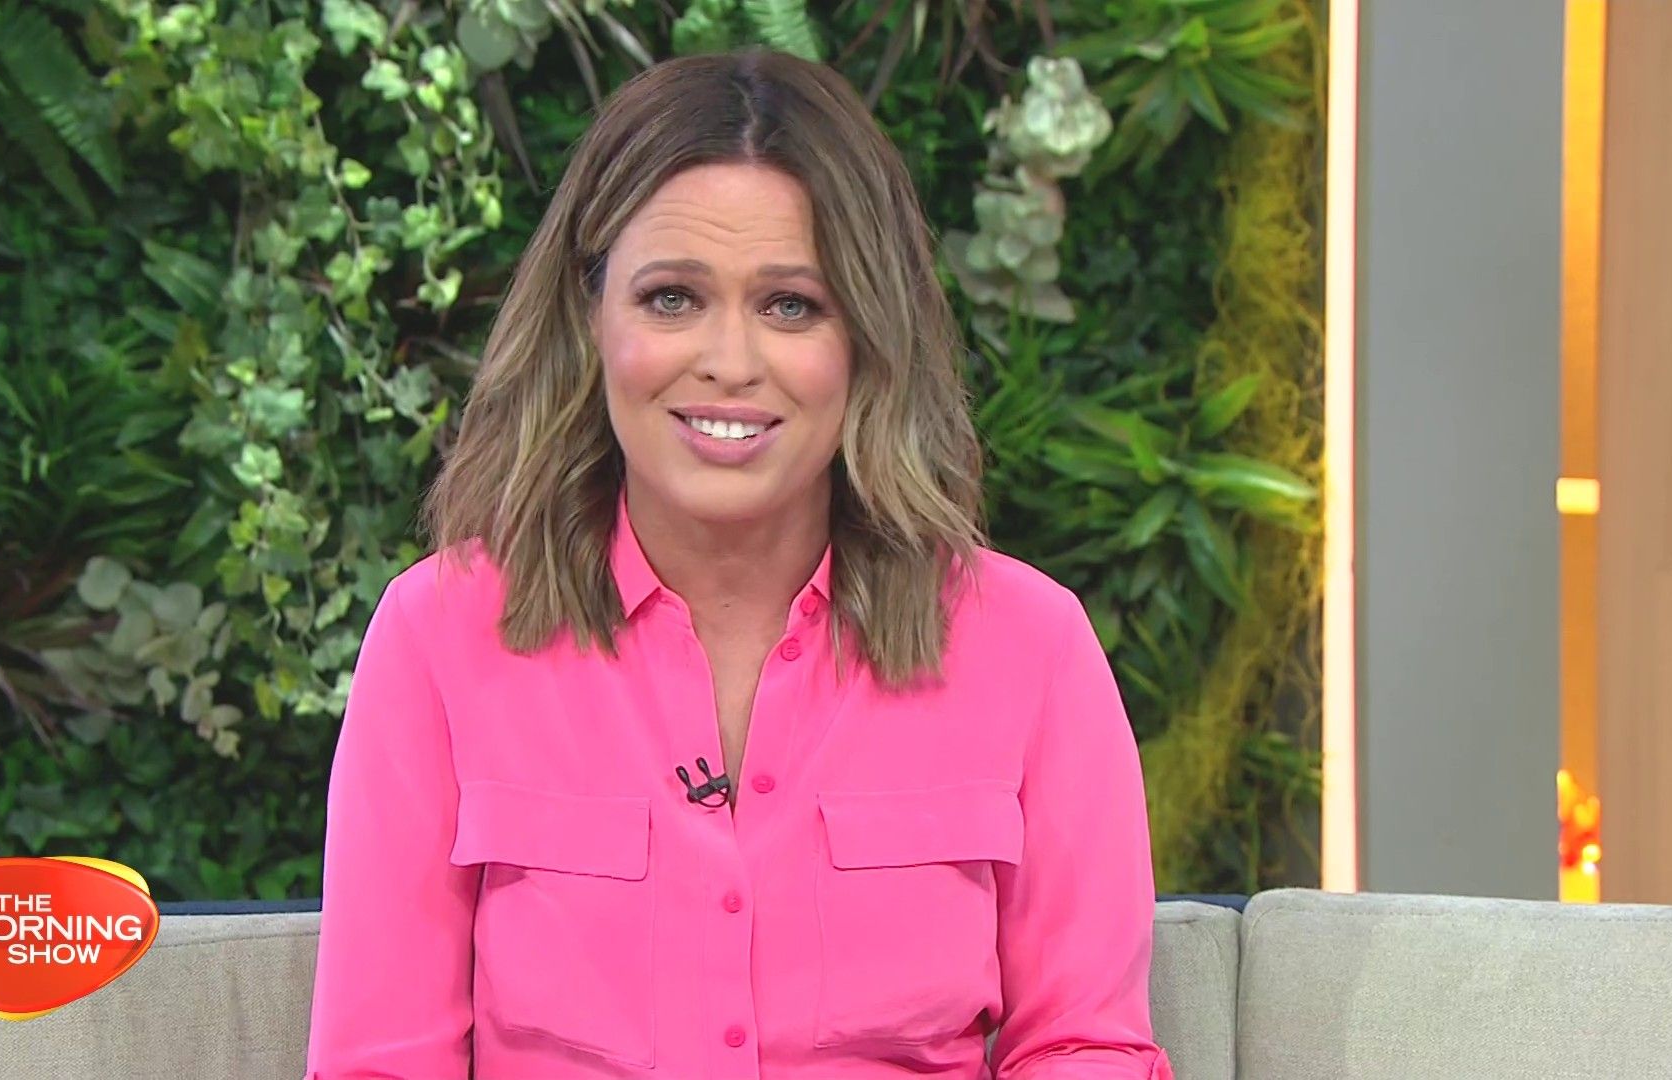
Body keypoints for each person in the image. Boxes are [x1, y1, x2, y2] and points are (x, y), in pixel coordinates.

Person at [304, 46, 1171, 1080]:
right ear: (589, 319)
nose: (730, 362)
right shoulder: (439, 635)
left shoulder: (1029, 646)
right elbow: (380, 1064)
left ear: (869, 337)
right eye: (672, 298)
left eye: (791, 304)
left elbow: (1084, 1046)